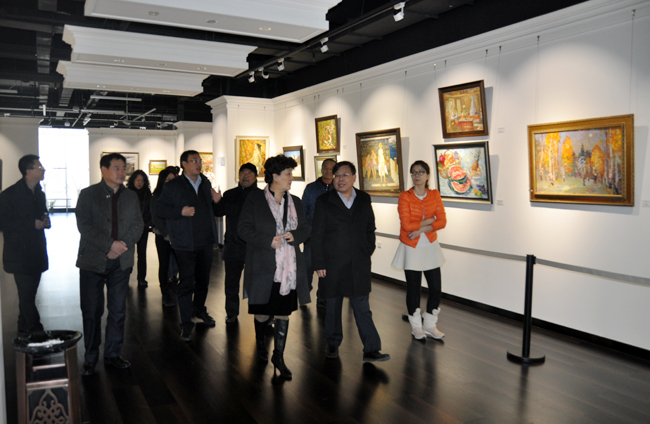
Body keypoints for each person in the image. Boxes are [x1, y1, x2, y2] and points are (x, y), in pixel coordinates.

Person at [238, 155, 310, 380]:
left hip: (289, 269)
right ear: (275, 176)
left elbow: (306, 228)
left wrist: (295, 235)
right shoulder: (254, 199)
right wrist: (267, 241)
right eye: (288, 174)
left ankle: (278, 355)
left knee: (283, 312)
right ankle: (261, 346)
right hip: (263, 266)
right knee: (261, 311)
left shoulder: (295, 201)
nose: (291, 178)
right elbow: (243, 229)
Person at [312, 161, 390, 362]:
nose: (340, 179)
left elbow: (370, 228)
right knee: (333, 305)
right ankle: (332, 344)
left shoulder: (363, 198)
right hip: (332, 263)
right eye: (337, 175)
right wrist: (319, 263)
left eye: (345, 175)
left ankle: (371, 349)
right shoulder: (324, 201)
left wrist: (367, 249)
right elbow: (317, 234)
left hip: (358, 263)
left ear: (354, 177)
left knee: (362, 306)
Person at [75, 153, 144, 375]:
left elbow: (138, 224)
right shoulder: (88, 194)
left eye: (124, 168)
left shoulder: (131, 196)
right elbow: (84, 226)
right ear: (103, 169)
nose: (122, 172)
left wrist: (122, 245)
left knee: (118, 310)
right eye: (117, 168)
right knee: (91, 311)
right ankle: (90, 356)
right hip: (93, 261)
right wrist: (109, 245)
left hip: (121, 262)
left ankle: (113, 353)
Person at [156, 150, 221, 342]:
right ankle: (185, 323)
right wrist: (180, 211)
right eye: (194, 161)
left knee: (203, 281)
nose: (198, 164)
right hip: (184, 242)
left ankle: (199, 310)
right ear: (183, 164)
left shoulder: (205, 182)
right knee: (186, 283)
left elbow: (213, 209)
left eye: (199, 160)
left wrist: (217, 202)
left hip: (206, 240)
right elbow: (160, 209)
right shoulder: (173, 185)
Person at [391, 160, 447, 340]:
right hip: (411, 247)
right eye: (414, 172)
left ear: (428, 175)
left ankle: (430, 324)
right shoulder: (405, 196)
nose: (417, 175)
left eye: (421, 172)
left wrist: (421, 229)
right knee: (414, 289)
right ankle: (416, 327)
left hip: (430, 245)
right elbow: (406, 225)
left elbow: (442, 221)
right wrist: (430, 221)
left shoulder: (434, 194)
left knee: (436, 288)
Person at [0, 154, 50, 337]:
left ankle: (22, 327)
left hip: (36, 252)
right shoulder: (9, 195)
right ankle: (37, 331)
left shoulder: (40, 194)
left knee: (28, 294)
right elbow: (2, 222)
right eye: (39, 167)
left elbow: (42, 214)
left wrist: (45, 221)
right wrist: (31, 224)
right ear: (28, 171)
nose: (43, 169)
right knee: (26, 295)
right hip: (19, 255)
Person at [214, 163, 260, 323]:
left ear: (255, 176)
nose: (245, 176)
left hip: (255, 246)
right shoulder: (230, 194)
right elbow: (219, 212)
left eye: (249, 173)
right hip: (233, 245)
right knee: (231, 283)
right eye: (242, 173)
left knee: (258, 282)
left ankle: (261, 314)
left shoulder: (262, 196)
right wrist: (217, 202)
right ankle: (231, 313)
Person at [301, 158, 335, 308]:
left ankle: (322, 298)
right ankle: (304, 295)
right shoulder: (311, 188)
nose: (328, 171)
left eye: (331, 168)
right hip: (312, 236)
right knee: (307, 267)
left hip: (330, 238)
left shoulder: (338, 189)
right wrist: (306, 232)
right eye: (325, 168)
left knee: (327, 270)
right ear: (321, 169)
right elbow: (303, 210)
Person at [150, 168, 178, 307]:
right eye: (167, 180)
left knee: (182, 264)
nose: (170, 182)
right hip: (163, 236)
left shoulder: (178, 195)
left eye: (173, 179)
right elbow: (156, 219)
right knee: (164, 264)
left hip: (178, 236)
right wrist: (167, 234)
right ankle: (165, 294)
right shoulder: (156, 197)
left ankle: (181, 293)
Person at [127, 170, 152, 288]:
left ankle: (141, 278)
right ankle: (127, 274)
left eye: (142, 181)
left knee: (142, 253)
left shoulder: (147, 193)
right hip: (130, 228)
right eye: (138, 180)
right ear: (133, 181)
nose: (139, 183)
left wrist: (146, 222)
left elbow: (150, 209)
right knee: (129, 252)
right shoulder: (127, 193)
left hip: (143, 227)